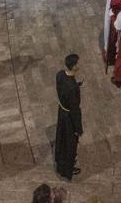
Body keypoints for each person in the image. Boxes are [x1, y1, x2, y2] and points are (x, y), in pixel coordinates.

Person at [54, 52, 83, 180]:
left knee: (61, 139)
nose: (79, 65)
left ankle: (60, 162)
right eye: (78, 63)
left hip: (62, 111)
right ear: (74, 66)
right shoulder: (73, 89)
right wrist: (78, 129)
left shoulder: (60, 74)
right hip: (69, 118)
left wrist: (77, 85)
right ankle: (67, 169)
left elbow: (63, 89)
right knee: (70, 144)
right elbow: (75, 110)